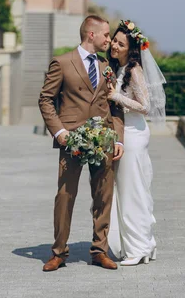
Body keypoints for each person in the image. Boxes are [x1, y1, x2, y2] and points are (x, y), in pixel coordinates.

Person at [38, 15, 125, 272]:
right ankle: (58, 252)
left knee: (104, 196)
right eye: (106, 35)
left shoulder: (106, 64)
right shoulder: (62, 63)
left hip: (104, 140)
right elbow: (45, 100)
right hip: (72, 141)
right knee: (65, 195)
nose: (109, 40)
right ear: (91, 35)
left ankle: (100, 251)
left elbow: (115, 104)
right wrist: (59, 132)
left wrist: (118, 137)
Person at [106, 19, 166, 266]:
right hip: (124, 133)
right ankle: (142, 244)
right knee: (126, 190)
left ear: (130, 49)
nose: (114, 45)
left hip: (133, 135)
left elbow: (145, 106)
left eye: (120, 43)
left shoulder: (134, 71)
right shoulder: (118, 69)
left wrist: (116, 96)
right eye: (114, 40)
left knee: (133, 191)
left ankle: (138, 247)